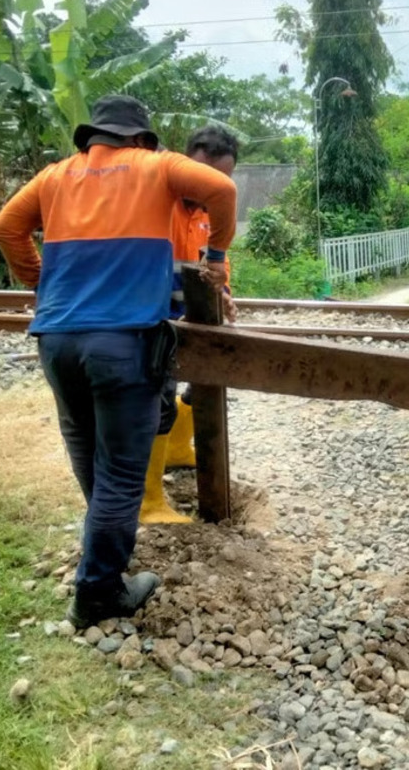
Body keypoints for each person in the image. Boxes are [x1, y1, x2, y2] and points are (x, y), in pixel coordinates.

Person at [0, 95, 237, 628]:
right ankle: (98, 592)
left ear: (93, 137)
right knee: (122, 475)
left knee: (91, 461)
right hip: (123, 342)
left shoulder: (55, 175)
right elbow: (222, 190)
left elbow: (5, 229)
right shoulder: (156, 166)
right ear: (142, 139)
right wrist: (216, 258)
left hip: (56, 340)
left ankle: (102, 557)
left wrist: (39, 280)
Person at [139, 125, 240, 525]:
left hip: (192, 315)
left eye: (219, 180)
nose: (207, 188)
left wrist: (223, 291)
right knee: (159, 400)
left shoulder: (211, 212)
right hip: (152, 318)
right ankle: (149, 501)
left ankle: (179, 449)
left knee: (209, 378)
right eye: (203, 175)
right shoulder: (153, 200)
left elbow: (218, 261)